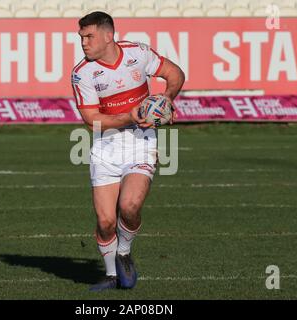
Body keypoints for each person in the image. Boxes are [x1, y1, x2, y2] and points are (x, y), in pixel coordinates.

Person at [71, 11, 185, 291]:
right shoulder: (82, 72)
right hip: (105, 147)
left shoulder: (138, 54)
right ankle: (111, 275)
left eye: (89, 36)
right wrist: (130, 116)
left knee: (130, 207)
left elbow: (175, 74)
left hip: (141, 143)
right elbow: (91, 119)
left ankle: (123, 253)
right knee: (106, 220)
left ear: (109, 36)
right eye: (81, 37)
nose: (84, 43)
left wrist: (165, 100)